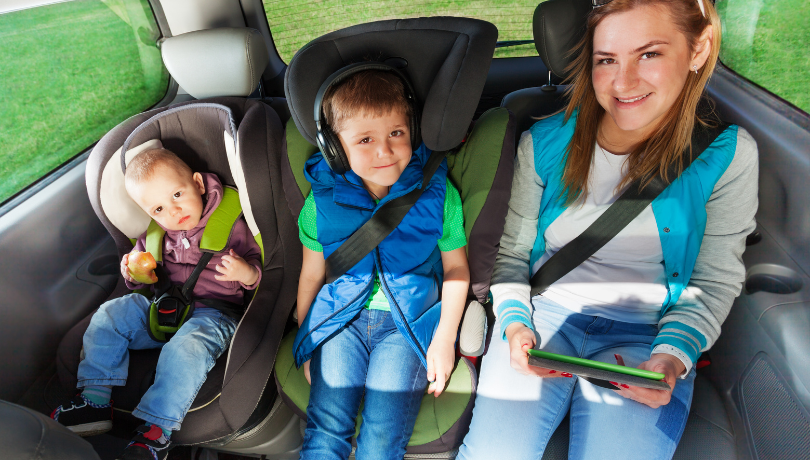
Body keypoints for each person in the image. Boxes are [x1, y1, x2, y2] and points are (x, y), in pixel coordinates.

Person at [458, 0, 758, 458]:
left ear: (699, 50)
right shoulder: (542, 142)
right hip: (544, 319)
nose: (624, 82)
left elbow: (713, 280)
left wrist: (674, 354)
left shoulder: (726, 157)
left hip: (648, 334)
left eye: (650, 54)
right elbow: (513, 258)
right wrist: (516, 326)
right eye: (606, 60)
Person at [293, 69, 470, 460]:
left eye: (397, 133)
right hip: (340, 324)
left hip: (405, 328)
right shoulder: (319, 205)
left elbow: (457, 270)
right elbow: (311, 275)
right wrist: (311, 339)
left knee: (380, 441)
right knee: (325, 432)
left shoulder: (438, 196)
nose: (385, 152)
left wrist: (443, 339)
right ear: (336, 148)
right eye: (365, 140)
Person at [51, 148, 262, 460]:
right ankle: (95, 399)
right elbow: (142, 280)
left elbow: (263, 270)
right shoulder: (156, 233)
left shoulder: (231, 223)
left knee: (185, 348)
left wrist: (246, 272)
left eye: (178, 194)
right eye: (159, 208)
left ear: (199, 185)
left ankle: (155, 433)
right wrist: (134, 272)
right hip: (163, 307)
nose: (174, 212)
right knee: (110, 314)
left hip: (216, 312)